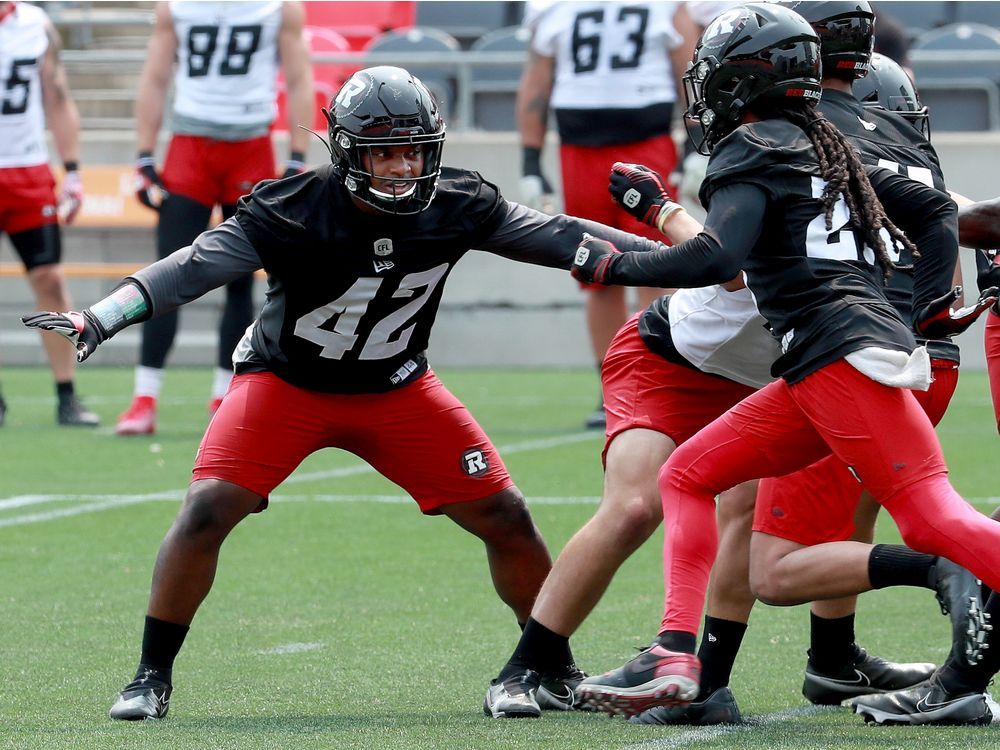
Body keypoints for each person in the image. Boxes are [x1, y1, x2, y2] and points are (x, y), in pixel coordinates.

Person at [22, 66, 673, 721]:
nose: (402, 166)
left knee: (506, 515)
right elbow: (193, 267)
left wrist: (673, 260)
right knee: (207, 508)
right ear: (348, 153)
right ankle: (149, 676)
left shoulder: (458, 202)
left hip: (397, 387)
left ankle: (551, 667)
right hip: (288, 384)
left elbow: (563, 238)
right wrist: (102, 316)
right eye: (385, 152)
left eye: (414, 149)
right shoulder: (294, 207)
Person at [566, 2, 1000, 721]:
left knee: (931, 521)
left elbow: (719, 256)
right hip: (831, 360)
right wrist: (930, 308)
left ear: (741, 80)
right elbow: (935, 211)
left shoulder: (754, 148)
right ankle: (677, 654)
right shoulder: (825, 144)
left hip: (836, 358)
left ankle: (681, 654)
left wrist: (612, 264)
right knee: (689, 474)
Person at [116, 0, 314, 435]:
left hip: (251, 144)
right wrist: (145, 151)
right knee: (165, 272)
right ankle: (144, 397)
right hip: (190, 145)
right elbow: (155, 76)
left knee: (241, 278)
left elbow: (300, 78)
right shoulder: (177, 6)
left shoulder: (279, 8)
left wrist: (298, 155)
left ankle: (226, 393)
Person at [516, 0, 698, 429]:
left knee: (657, 266)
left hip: (646, 142)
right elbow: (538, 82)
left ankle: (661, 379)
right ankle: (613, 388)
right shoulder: (551, 8)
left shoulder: (669, 6)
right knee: (594, 269)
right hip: (580, 150)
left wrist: (694, 145)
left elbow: (691, 73)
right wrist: (529, 162)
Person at [0, 0, 97, 427]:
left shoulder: (35, 24)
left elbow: (56, 96)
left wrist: (73, 170)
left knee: (49, 279)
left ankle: (66, 394)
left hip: (27, 170)